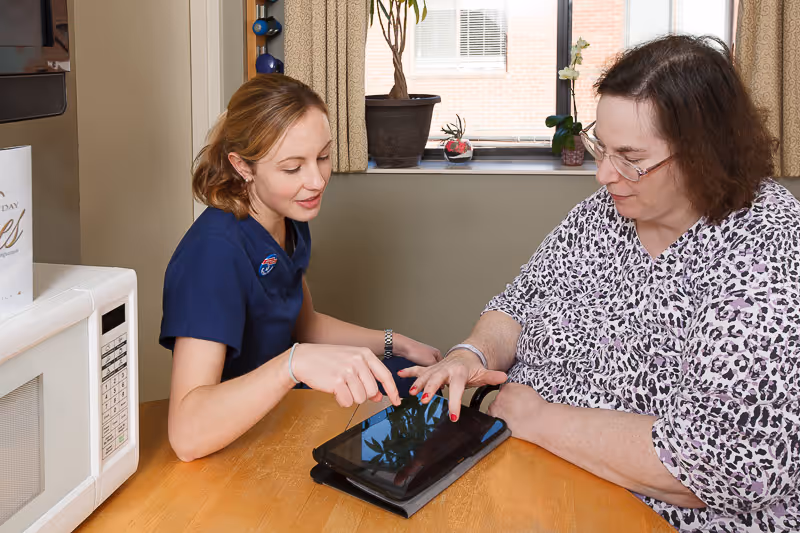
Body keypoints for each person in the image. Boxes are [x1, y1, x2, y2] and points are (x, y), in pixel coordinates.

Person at [400, 35, 800, 533]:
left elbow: (728, 463)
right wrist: (472, 354)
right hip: (533, 467)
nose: (604, 174)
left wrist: (541, 419)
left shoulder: (766, 250)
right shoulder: (605, 214)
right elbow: (518, 305)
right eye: (601, 148)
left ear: (704, 154)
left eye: (630, 156)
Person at [159, 74, 439, 463]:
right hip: (233, 432)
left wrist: (399, 342)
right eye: (293, 167)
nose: (316, 180)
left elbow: (304, 325)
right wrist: (294, 364)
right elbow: (186, 435)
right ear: (242, 166)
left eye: (322, 157)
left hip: (286, 399)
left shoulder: (288, 218)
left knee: (415, 378)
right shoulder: (212, 256)